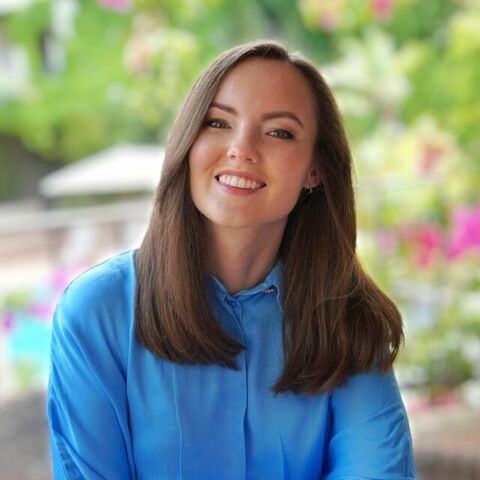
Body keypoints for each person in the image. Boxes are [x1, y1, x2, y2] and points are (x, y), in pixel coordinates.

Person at [47, 40, 416, 479]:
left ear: (315, 169)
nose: (242, 149)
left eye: (279, 132)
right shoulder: (96, 314)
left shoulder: (348, 321)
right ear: (188, 141)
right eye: (218, 122)